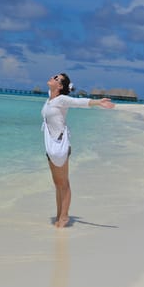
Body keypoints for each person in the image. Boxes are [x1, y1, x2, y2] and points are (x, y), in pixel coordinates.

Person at [41, 73, 115, 228]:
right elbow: (68, 90)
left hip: (60, 144)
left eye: (56, 78)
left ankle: (64, 216)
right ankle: (59, 214)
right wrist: (69, 86)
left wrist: (98, 102)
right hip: (49, 145)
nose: (52, 77)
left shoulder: (61, 100)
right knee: (57, 183)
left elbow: (78, 102)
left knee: (64, 183)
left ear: (60, 86)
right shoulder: (51, 97)